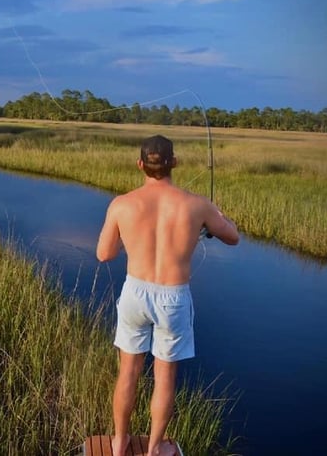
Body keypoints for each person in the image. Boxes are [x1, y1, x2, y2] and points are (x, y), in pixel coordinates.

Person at [96, 135, 239, 456]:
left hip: (135, 292)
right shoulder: (197, 204)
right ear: (174, 162)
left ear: (140, 164)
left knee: (128, 372)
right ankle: (155, 448)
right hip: (173, 298)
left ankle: (119, 443)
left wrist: (128, 236)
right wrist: (216, 219)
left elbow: (104, 254)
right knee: (164, 377)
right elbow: (233, 238)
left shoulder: (122, 204)